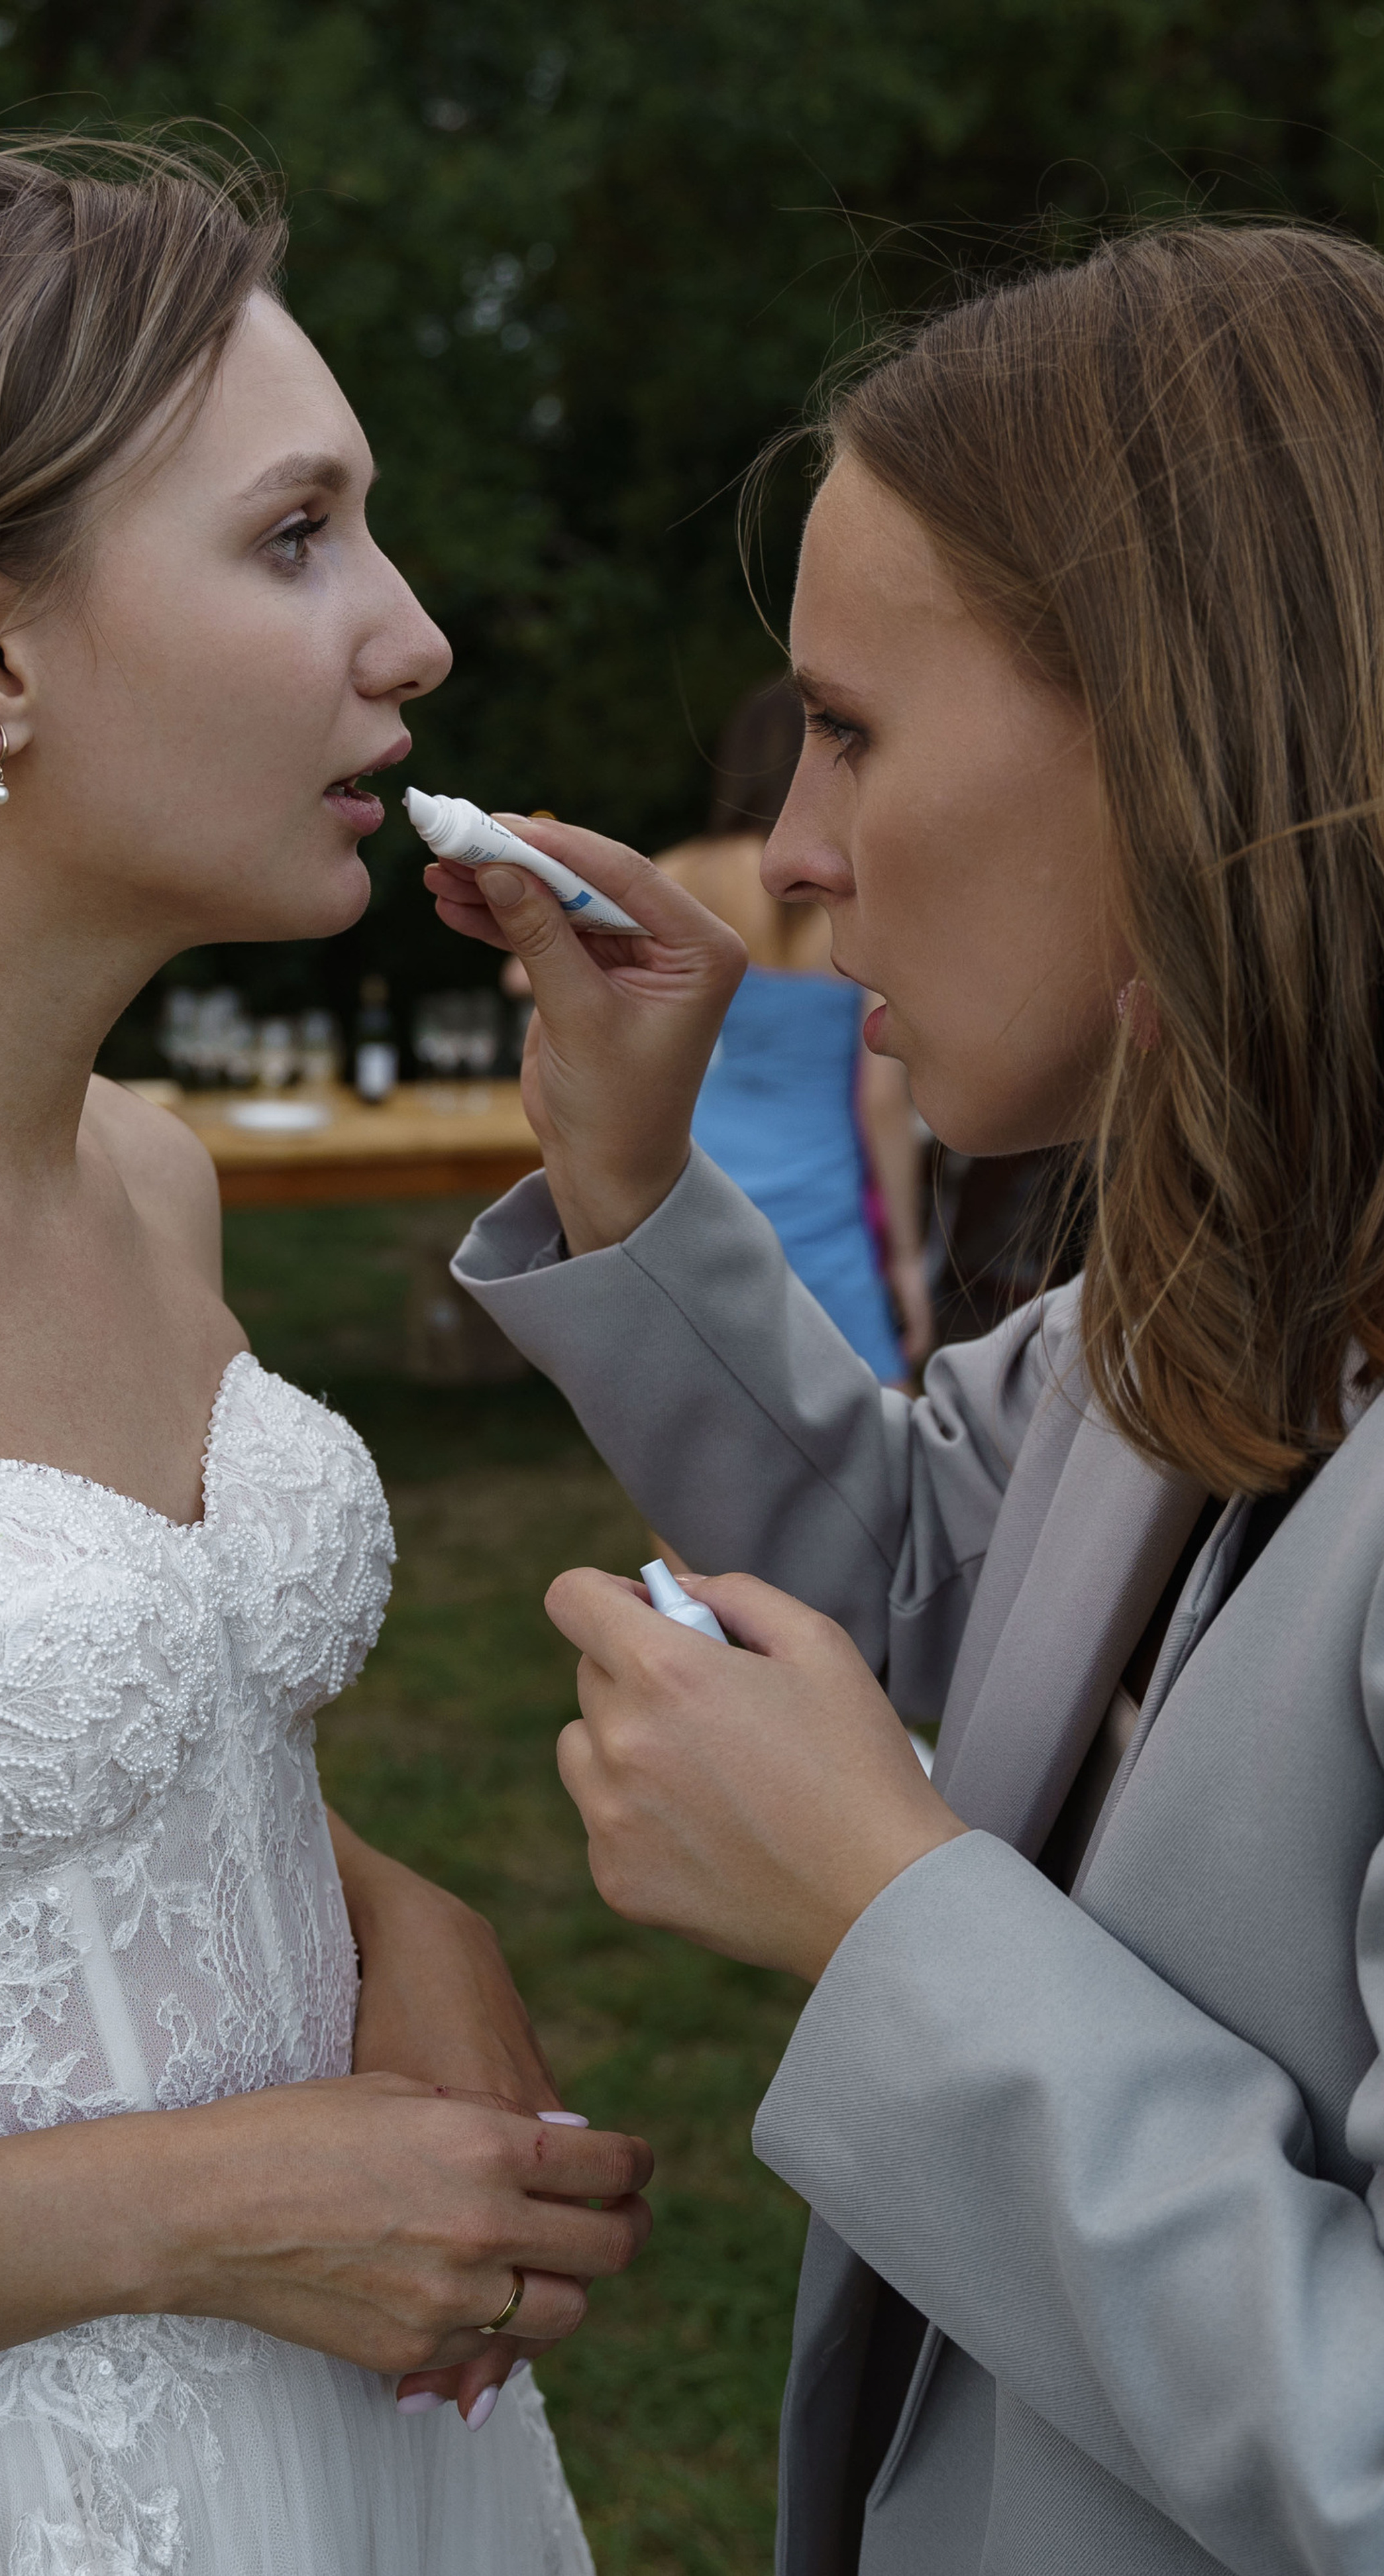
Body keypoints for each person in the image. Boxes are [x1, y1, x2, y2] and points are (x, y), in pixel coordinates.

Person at [0, 137, 653, 2575]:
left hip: (355, 2477)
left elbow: (22, 1794)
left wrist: (396, 1911)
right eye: (296, 536)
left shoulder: (149, 1174)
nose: (411, 637)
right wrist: (207, 2207)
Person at [429, 223, 1384, 2573]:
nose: (796, 849)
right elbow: (934, 1566)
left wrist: (885, 1909)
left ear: (1181, 720)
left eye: (849, 727)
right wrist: (632, 1176)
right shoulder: (1223, 1265)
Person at [656, 677, 930, 1381]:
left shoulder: (683, 872)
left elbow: (539, 974)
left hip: (703, 1171)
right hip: (819, 1185)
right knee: (873, 1405)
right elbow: (881, 1098)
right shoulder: (852, 887)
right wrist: (905, 1259)